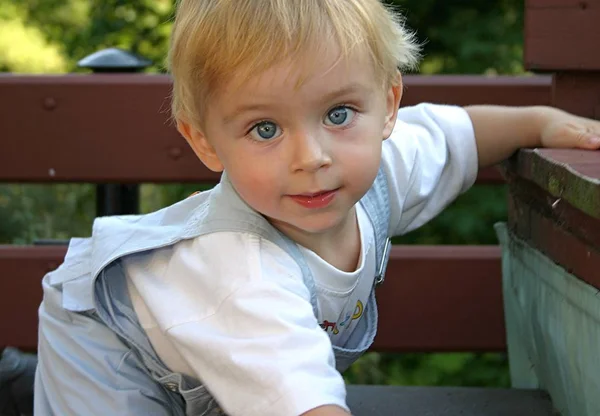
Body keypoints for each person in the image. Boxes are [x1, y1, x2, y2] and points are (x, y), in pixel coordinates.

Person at [34, 0, 600, 415]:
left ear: (388, 104)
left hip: (223, 358)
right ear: (204, 141)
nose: (312, 157)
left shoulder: (375, 171)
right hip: (113, 351)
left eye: (337, 113)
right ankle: (23, 382)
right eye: (264, 127)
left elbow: (456, 136)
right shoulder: (243, 270)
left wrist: (540, 123)